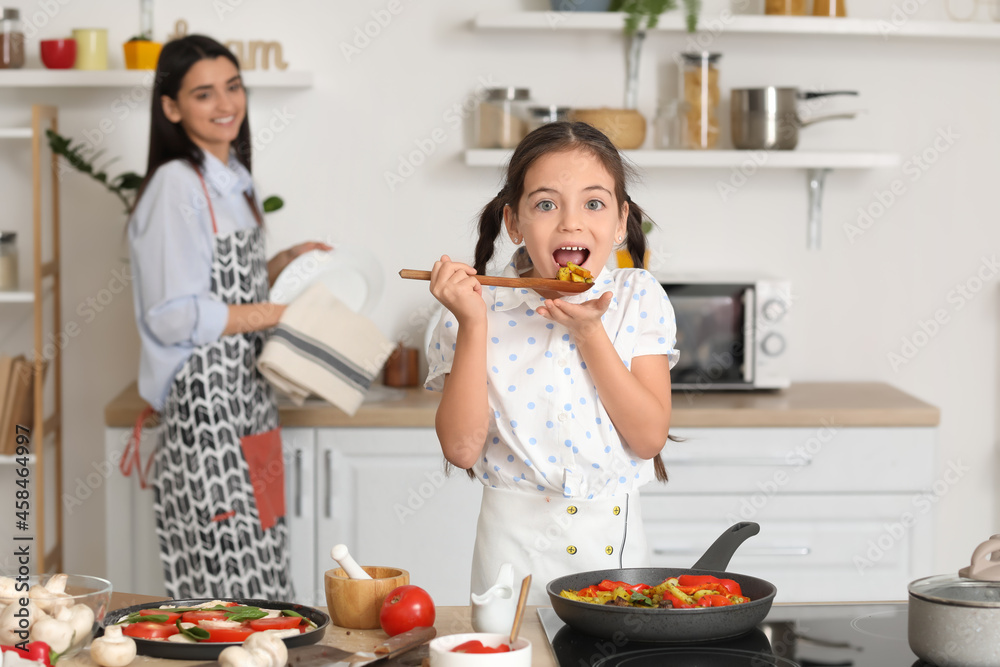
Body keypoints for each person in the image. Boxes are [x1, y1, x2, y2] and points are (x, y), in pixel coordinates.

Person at [425, 121, 680, 604]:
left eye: (594, 203)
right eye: (546, 203)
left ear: (622, 221)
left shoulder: (638, 297)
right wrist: (474, 324)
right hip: (510, 553)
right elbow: (461, 449)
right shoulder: (474, 309)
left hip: (616, 553)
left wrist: (588, 332)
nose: (570, 222)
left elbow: (648, 438)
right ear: (514, 222)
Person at [126, 34, 329, 599]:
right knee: (224, 580)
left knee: (264, 554)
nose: (225, 104)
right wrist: (279, 311)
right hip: (205, 410)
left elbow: (214, 283)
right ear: (171, 108)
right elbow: (171, 315)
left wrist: (283, 263)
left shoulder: (233, 180)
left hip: (251, 401)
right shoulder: (176, 185)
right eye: (203, 93)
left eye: (233, 86)